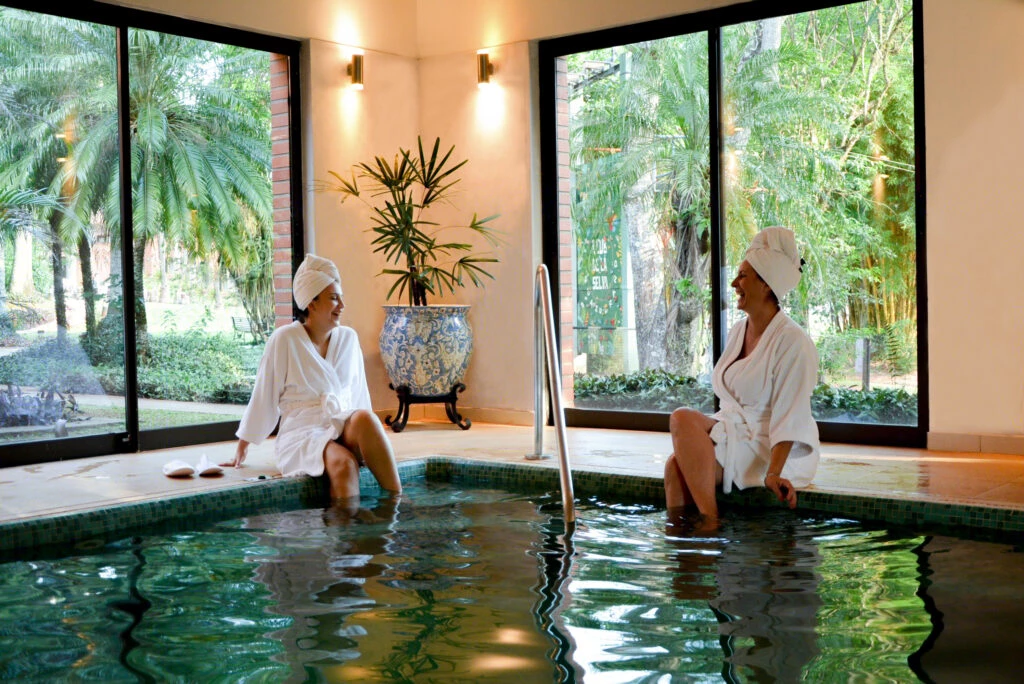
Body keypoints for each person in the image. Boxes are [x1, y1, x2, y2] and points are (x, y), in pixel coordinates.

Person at [665, 226, 819, 526]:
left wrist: (773, 473)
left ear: (766, 285)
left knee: (682, 418)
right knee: (674, 467)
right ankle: (686, 550)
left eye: (742, 276)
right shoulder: (739, 331)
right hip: (736, 434)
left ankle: (710, 524)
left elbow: (792, 414)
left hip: (770, 448)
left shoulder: (793, 342)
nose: (734, 283)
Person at [225, 254, 402, 501]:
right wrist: (243, 445)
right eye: (334, 298)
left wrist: (371, 444)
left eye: (341, 297)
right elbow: (264, 395)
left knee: (365, 418)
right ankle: (345, 525)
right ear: (312, 302)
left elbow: (359, 395)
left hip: (340, 422)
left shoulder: (348, 339)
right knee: (344, 465)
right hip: (301, 432)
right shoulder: (285, 339)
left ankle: (396, 504)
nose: (342, 305)